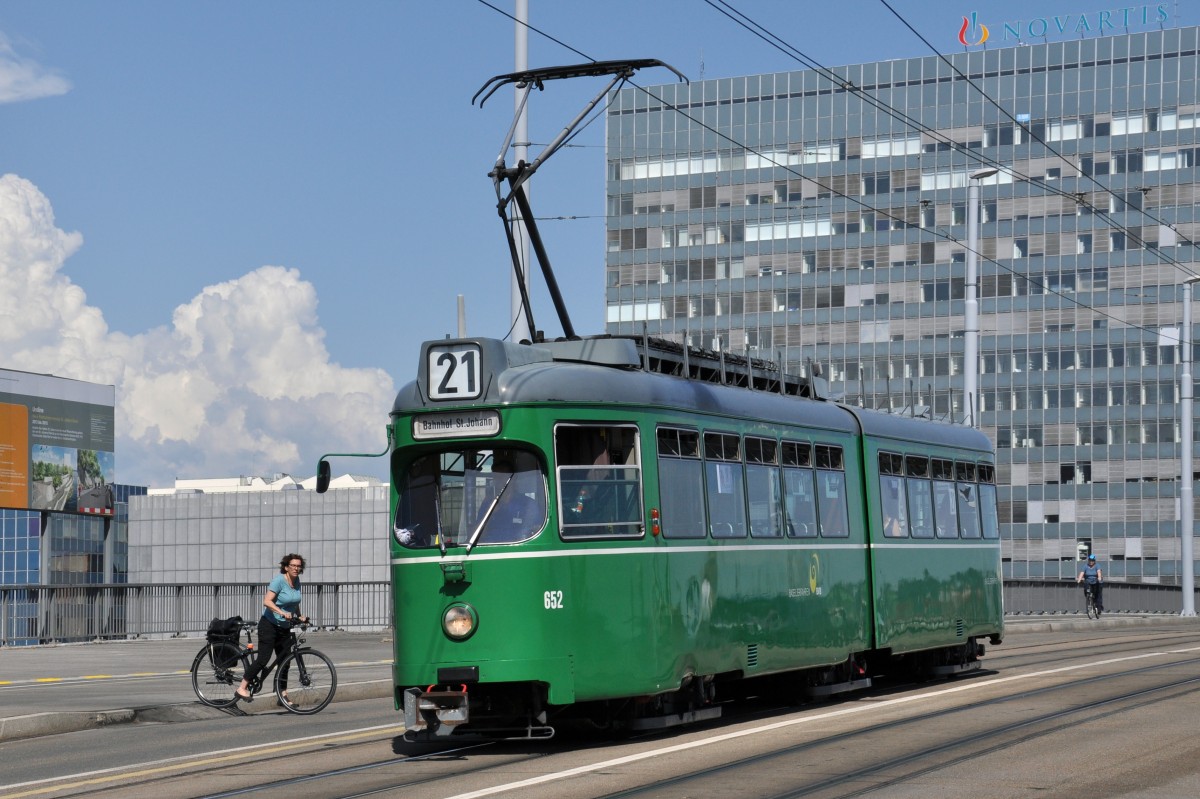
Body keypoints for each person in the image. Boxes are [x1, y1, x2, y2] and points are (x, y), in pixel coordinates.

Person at [236, 553, 310, 703]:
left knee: (285, 661)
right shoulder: (278, 581)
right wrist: (282, 613)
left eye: (298, 566)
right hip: (269, 625)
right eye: (293, 566)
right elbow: (267, 602)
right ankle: (242, 687)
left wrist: (300, 616)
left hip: (284, 627)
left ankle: (282, 696)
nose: (296, 568)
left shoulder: (296, 581)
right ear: (286, 567)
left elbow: (294, 602)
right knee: (263, 659)